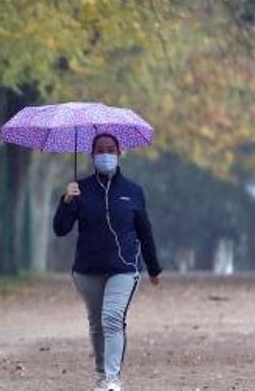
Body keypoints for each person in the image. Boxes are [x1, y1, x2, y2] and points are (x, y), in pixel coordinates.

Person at [53, 132, 162, 391]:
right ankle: (101, 374)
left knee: (112, 319)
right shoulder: (79, 189)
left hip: (123, 267)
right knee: (96, 322)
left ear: (119, 153)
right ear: (92, 156)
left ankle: (112, 380)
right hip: (87, 269)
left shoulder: (133, 191)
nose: (105, 154)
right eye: (100, 150)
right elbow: (60, 229)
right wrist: (66, 200)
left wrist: (153, 268)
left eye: (110, 149)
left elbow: (144, 230)